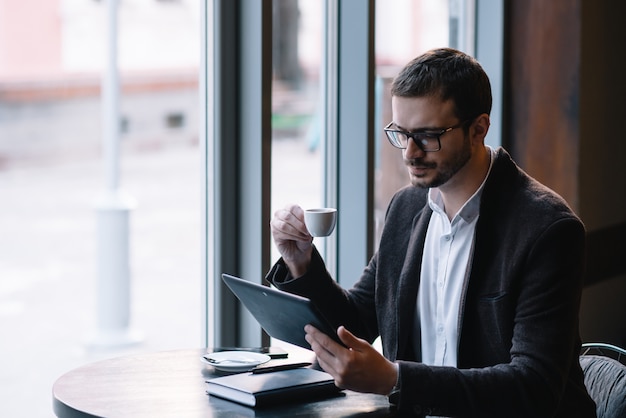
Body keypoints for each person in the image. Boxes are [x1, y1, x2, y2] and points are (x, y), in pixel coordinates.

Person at [266, 48, 595, 417]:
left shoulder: (548, 230)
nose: (409, 153)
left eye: (426, 135)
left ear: (478, 129)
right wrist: (302, 264)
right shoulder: (405, 209)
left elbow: (534, 387)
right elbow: (356, 320)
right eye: (401, 133)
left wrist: (396, 378)